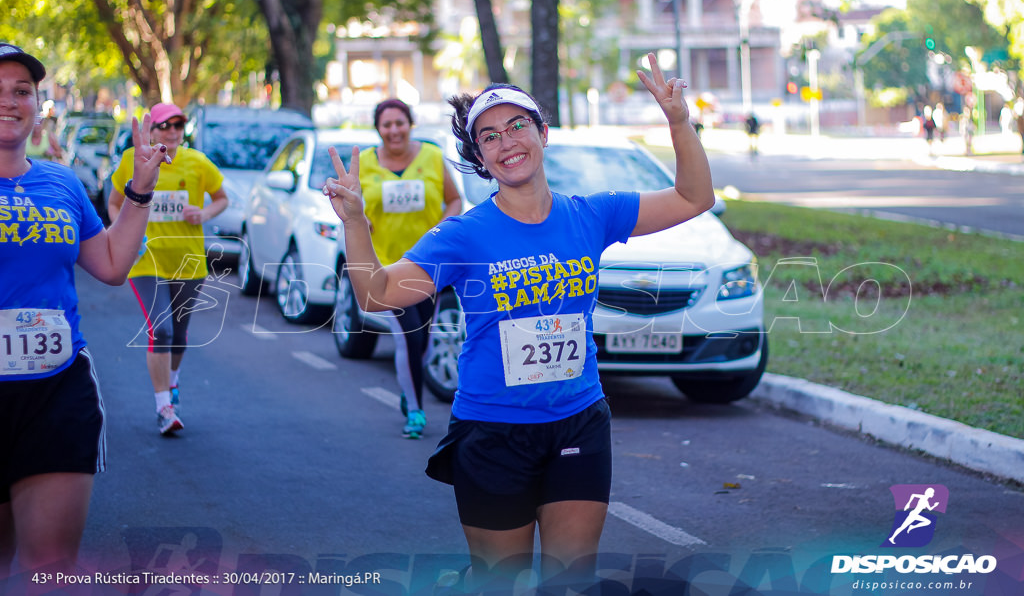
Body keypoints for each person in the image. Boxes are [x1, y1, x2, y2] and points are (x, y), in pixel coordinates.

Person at [323, 52, 714, 590]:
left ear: (543, 133)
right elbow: (376, 293)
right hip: (492, 431)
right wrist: (357, 224)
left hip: (578, 422)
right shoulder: (464, 234)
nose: (507, 142)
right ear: (481, 158)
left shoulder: (591, 214)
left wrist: (678, 123)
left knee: (570, 582)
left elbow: (695, 197)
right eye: (489, 137)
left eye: (517, 126)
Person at [0, 43, 169, 578]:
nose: (10, 101)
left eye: (21, 91)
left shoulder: (63, 183)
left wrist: (139, 190)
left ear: (37, 104)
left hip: (55, 391)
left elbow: (114, 264)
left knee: (50, 570)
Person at [108, 103, 228, 436]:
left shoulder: (197, 162)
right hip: (147, 259)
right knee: (160, 329)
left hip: (189, 262)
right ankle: (164, 406)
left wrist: (202, 214)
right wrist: (127, 231)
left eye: (178, 125)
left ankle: (172, 384)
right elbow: (115, 202)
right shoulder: (135, 158)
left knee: (178, 332)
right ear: (152, 129)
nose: (172, 131)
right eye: (164, 125)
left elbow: (221, 198)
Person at [358, 99, 462, 439]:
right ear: (378, 129)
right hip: (387, 268)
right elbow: (350, 208)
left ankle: (408, 390)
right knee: (409, 336)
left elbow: (454, 200)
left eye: (399, 123)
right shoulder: (364, 163)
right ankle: (416, 412)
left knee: (425, 342)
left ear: (410, 124)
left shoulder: (432, 157)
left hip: (429, 266)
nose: (394, 131)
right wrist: (360, 223)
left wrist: (443, 231)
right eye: (386, 125)